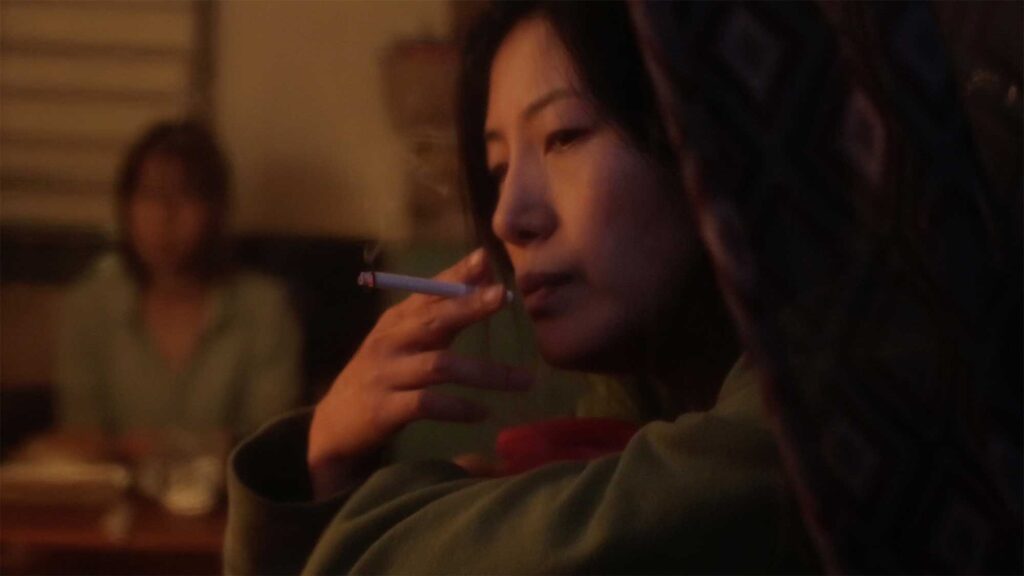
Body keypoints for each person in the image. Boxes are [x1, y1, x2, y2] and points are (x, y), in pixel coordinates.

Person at [225, 3, 819, 573]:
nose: (508, 217)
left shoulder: (832, 381)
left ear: (702, 127)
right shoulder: (650, 394)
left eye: (564, 136)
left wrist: (382, 513)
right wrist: (327, 457)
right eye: (498, 169)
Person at [56, 119, 302, 445]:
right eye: (149, 195)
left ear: (215, 210)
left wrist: (143, 448)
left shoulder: (264, 309)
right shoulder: (89, 306)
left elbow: (268, 444)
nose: (164, 216)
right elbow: (83, 439)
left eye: (185, 196)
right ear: (126, 207)